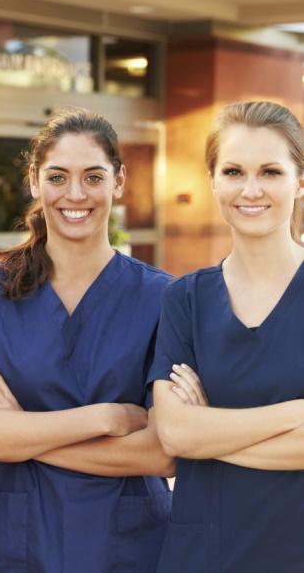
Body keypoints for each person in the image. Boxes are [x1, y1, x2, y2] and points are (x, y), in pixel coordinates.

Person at [0, 107, 174, 572]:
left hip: (125, 548)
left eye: (93, 176)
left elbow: (162, 452)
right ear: (34, 181)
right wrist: (104, 416)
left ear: (118, 182)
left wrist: (21, 431)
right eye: (58, 176)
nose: (75, 194)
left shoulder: (164, 298)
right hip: (11, 547)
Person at [149, 100, 304, 572]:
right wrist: (294, 415)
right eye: (234, 171)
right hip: (205, 554)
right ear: (213, 180)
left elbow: (191, 435)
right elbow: (173, 432)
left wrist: (210, 430)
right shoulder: (185, 299)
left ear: (300, 180)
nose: (251, 189)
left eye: (271, 172)